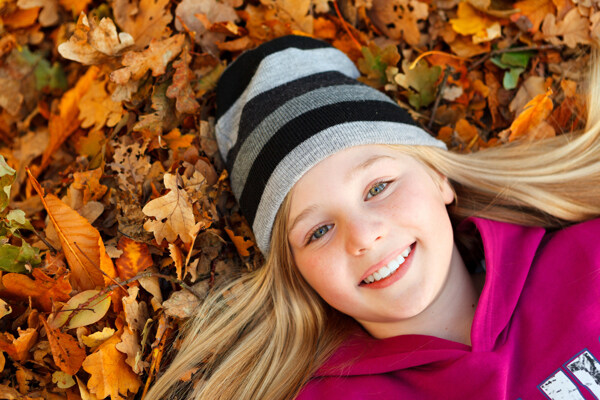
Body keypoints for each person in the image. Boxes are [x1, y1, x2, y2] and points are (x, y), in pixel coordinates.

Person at [147, 35, 600, 399]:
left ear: (438, 177)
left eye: (378, 188)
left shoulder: (587, 258)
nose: (362, 236)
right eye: (319, 231)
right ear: (298, 273)